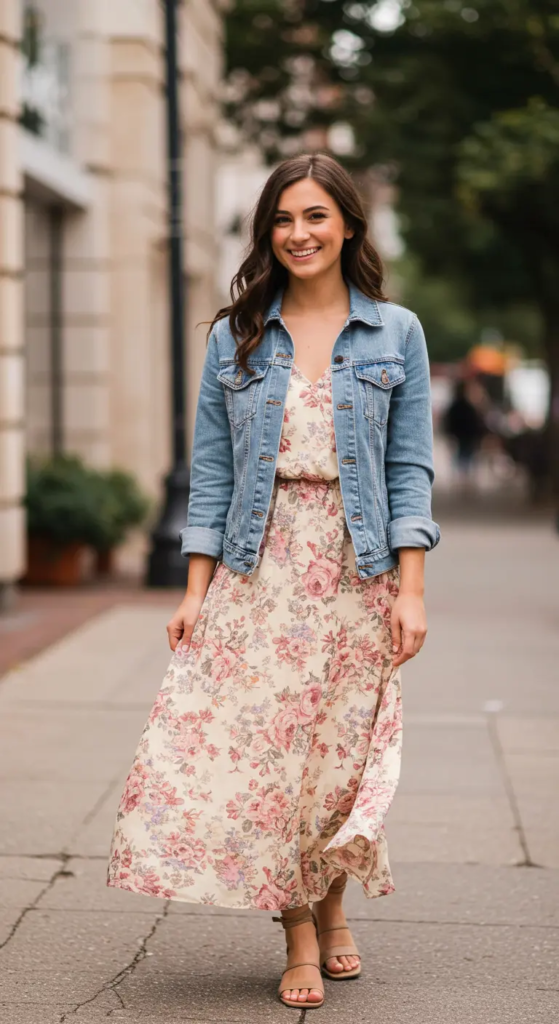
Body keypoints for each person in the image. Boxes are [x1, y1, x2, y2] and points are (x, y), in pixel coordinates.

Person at [107, 153, 440, 1010]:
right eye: (284, 220)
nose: (298, 234)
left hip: (356, 571)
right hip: (260, 574)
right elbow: (212, 473)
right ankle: (296, 928)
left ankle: (333, 912)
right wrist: (193, 590)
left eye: (316, 217)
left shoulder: (396, 332)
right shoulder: (237, 334)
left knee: (336, 765)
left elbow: (408, 471)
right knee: (266, 764)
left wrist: (411, 589)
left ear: (348, 227)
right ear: (267, 233)